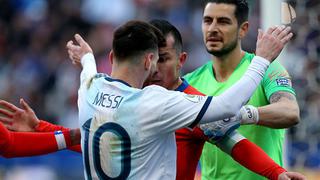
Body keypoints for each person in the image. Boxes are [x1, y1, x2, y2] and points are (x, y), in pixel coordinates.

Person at [0, 20, 304, 180]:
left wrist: (275, 173)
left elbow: (232, 143)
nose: (157, 68)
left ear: (181, 60)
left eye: (165, 58)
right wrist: (261, 60)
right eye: (155, 59)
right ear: (146, 59)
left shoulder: (94, 89)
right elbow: (98, 141)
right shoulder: (153, 102)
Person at [183, 1, 300, 180]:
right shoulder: (191, 81)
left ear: (243, 29)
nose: (212, 28)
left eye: (223, 21)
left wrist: (239, 115)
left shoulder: (267, 69)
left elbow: (290, 111)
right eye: (207, 21)